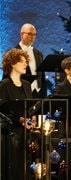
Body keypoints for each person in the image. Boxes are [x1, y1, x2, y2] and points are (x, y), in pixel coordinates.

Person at [0, 48, 35, 180]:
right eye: (22, 62)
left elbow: (29, 107)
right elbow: (2, 110)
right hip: (11, 134)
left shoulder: (26, 85)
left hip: (26, 133)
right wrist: (19, 120)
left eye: (26, 61)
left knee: (25, 167)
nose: (25, 64)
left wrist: (32, 119)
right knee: (13, 168)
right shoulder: (4, 85)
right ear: (12, 64)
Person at [4, 23, 46, 98]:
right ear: (21, 34)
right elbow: (7, 74)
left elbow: (42, 77)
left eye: (34, 34)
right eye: (29, 34)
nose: (32, 37)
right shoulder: (11, 53)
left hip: (38, 93)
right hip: (20, 92)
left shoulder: (39, 54)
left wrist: (44, 96)